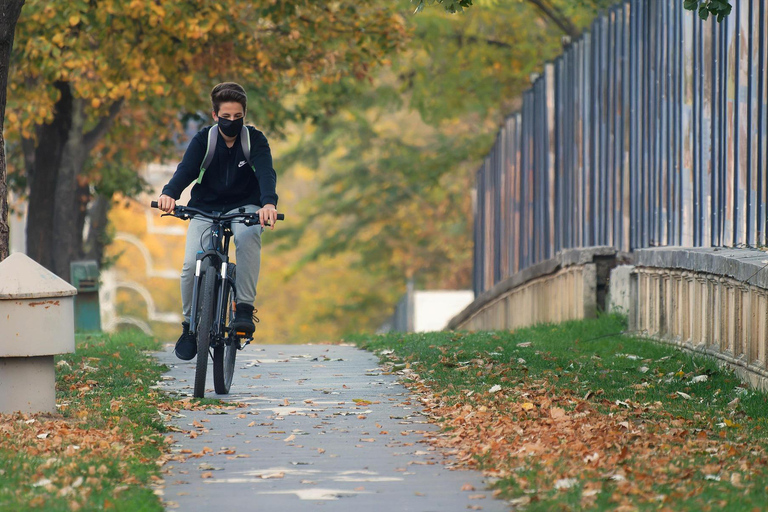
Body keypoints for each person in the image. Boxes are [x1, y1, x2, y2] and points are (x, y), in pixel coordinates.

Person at [157, 82, 279, 360]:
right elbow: (186, 170)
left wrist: (268, 203)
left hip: (245, 205)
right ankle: (189, 327)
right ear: (214, 115)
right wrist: (169, 194)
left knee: (248, 237)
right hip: (206, 207)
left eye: (238, 117)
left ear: (244, 115)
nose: (232, 122)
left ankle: (245, 309)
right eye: (226, 117)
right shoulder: (204, 140)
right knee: (190, 264)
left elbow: (266, 172)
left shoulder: (254, 140)